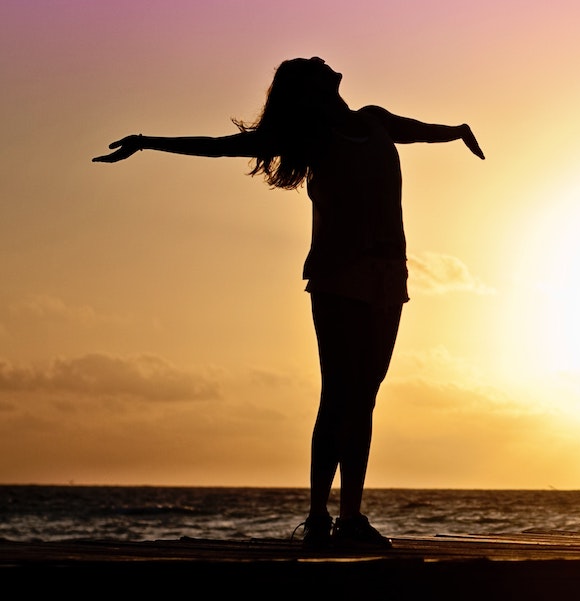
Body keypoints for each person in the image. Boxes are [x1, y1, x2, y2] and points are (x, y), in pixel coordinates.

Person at [93, 57, 485, 549]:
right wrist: (149, 142)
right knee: (341, 395)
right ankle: (326, 517)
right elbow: (221, 148)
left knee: (362, 398)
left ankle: (345, 518)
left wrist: (457, 130)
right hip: (339, 275)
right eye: (316, 67)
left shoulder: (374, 120)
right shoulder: (312, 136)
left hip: (390, 277)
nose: (327, 63)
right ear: (311, 90)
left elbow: (422, 132)